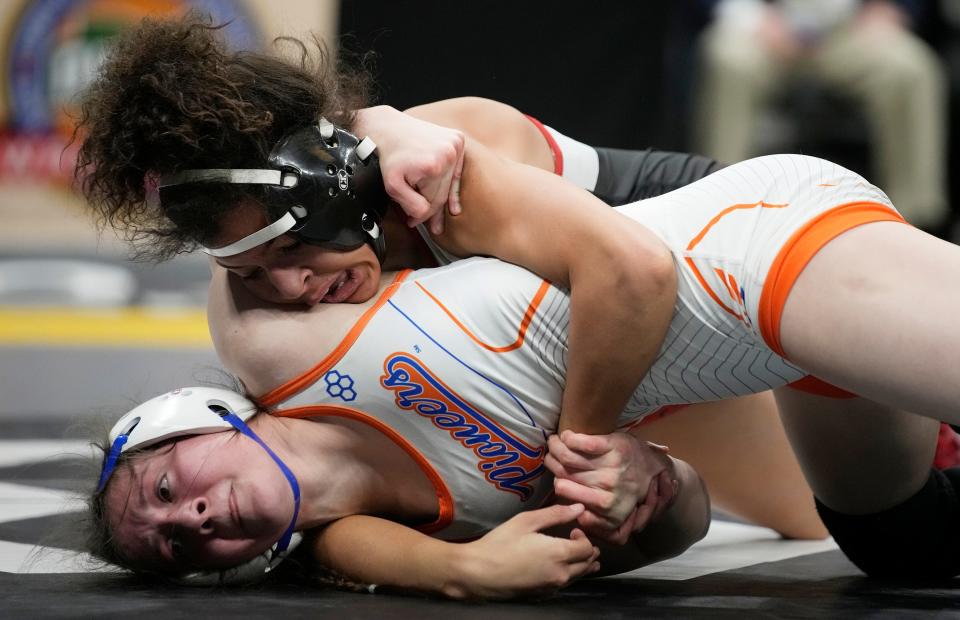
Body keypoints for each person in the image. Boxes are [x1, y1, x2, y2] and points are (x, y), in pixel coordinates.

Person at [76, 15, 960, 587]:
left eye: (297, 251)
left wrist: (587, 444)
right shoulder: (265, 296)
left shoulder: (441, 166)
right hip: (629, 341)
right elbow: (314, 506)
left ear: (337, 176)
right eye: (254, 273)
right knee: (883, 542)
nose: (295, 288)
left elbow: (631, 267)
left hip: (716, 249)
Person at [693, 0, 948, 232]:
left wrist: (893, 8)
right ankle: (720, 215)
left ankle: (914, 222)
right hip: (768, 24)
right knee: (729, 59)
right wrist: (750, 15)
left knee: (909, 69)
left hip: (850, 28)